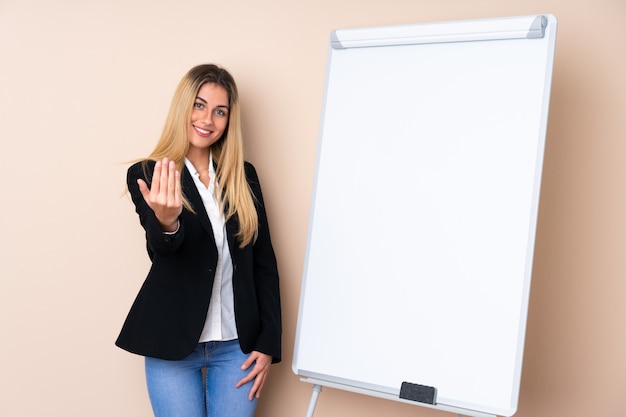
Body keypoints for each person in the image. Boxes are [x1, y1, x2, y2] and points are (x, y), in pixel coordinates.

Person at [115, 64, 282, 417]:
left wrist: (267, 343)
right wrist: (166, 219)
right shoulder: (149, 174)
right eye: (199, 105)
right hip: (172, 344)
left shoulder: (243, 177)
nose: (208, 119)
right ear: (183, 108)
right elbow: (160, 247)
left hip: (238, 346)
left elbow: (264, 263)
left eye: (220, 111)